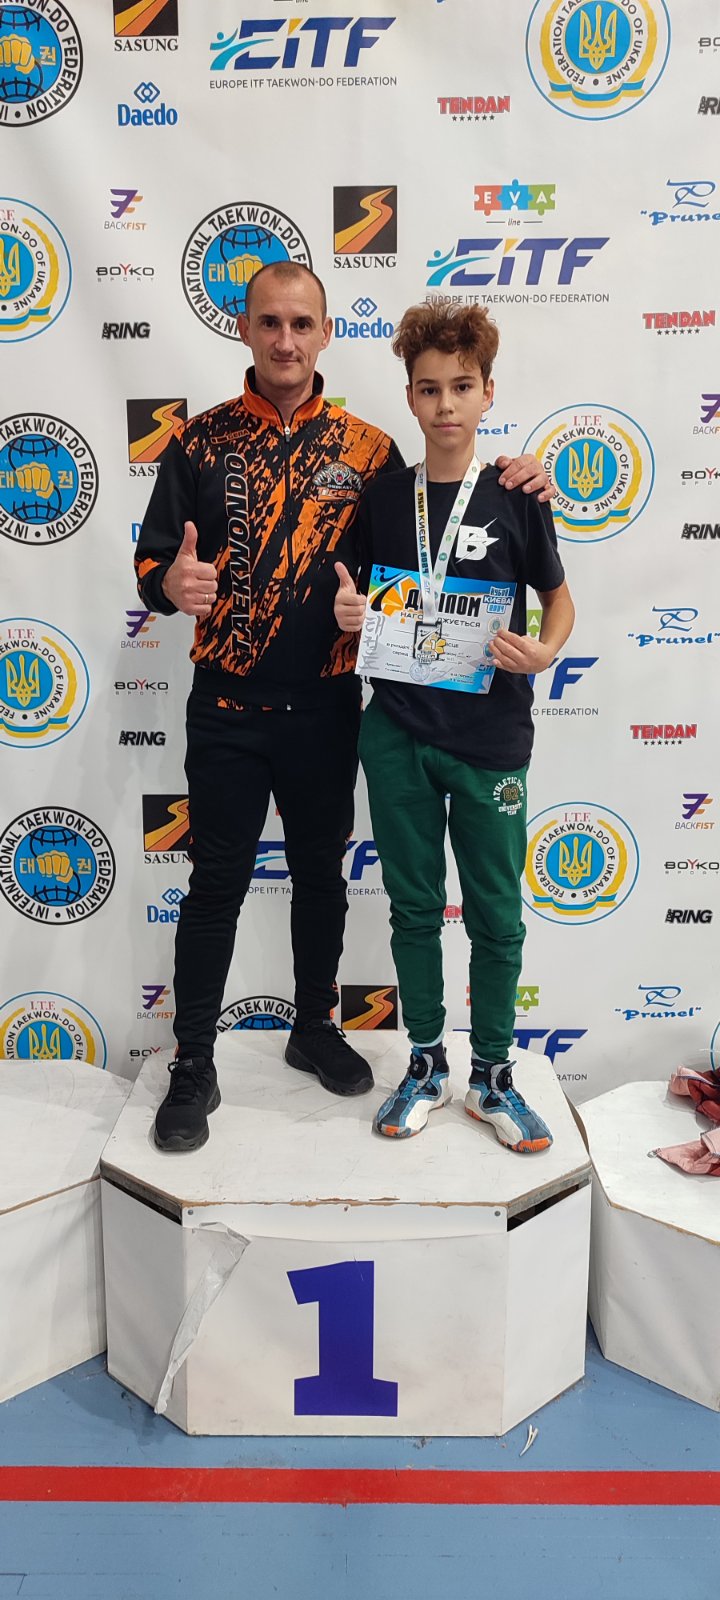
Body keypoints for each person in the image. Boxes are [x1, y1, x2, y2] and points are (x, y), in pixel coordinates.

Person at [134, 263, 553, 1152]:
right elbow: (153, 563)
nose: (285, 340)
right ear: (246, 329)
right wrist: (170, 583)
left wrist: (522, 474)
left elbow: (410, 559)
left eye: (302, 324)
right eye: (269, 322)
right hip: (226, 706)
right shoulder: (199, 441)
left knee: (322, 877)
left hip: (328, 707)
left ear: (326, 334)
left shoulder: (369, 454)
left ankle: (314, 1027)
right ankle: (193, 1062)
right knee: (216, 883)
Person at [334, 300, 574, 1153]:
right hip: (397, 732)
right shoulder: (382, 497)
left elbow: (559, 601)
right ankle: (427, 1064)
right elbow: (356, 599)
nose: (445, 405)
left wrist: (545, 651)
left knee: (497, 917)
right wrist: (348, 612)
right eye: (430, 388)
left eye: (461, 387)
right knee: (412, 909)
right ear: (410, 396)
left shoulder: (517, 492)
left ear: (487, 393)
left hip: (489, 740)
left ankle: (495, 1076)